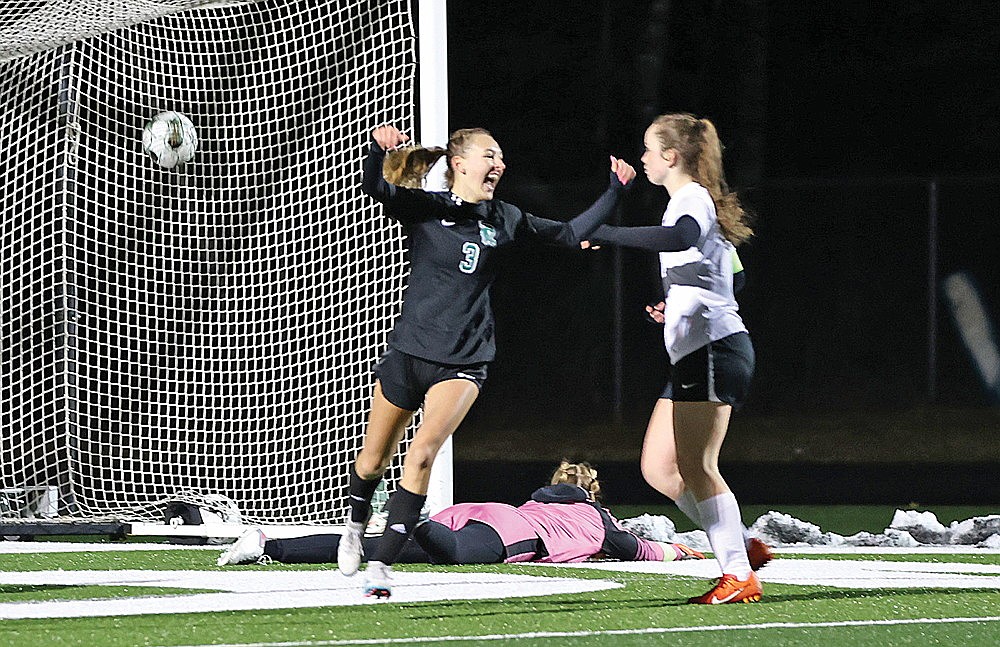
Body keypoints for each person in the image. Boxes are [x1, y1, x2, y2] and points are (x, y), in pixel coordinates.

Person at [341, 124, 636, 598]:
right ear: (458, 163)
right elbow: (374, 185)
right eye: (487, 155)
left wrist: (614, 191)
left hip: (464, 360)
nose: (497, 164)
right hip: (409, 352)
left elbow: (567, 235)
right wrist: (378, 149)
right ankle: (355, 528)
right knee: (373, 460)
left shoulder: (506, 217)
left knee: (421, 454)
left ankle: (381, 565)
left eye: (500, 156)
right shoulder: (427, 208)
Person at [582, 113, 769, 604]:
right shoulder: (691, 202)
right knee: (659, 469)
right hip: (699, 350)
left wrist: (608, 234)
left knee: (697, 464)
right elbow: (735, 276)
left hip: (713, 349)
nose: (642, 157)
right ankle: (736, 545)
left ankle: (739, 573)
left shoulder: (690, 200)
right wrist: (677, 302)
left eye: (648, 148)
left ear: (671, 156)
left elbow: (682, 237)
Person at [218, 461, 704, 567]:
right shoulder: (596, 518)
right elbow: (632, 548)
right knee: (455, 556)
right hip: (514, 533)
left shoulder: (536, 498)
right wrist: (682, 551)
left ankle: (267, 544)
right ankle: (411, 511)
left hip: (484, 512)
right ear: (591, 494)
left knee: (371, 549)